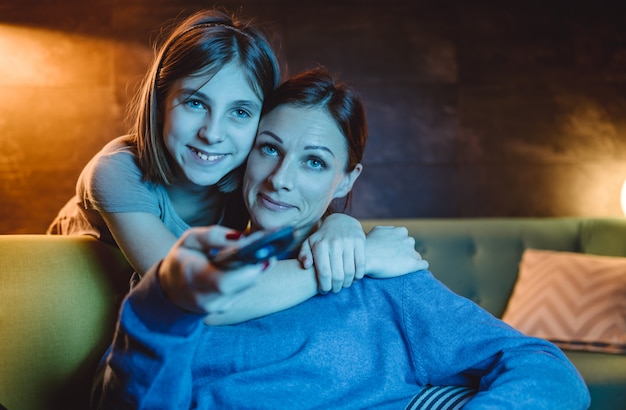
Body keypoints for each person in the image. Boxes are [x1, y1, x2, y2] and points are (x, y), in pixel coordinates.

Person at [92, 68, 590, 409]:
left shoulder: (384, 281)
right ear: (245, 153)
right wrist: (167, 304)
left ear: (346, 180)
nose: (281, 178)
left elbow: (545, 368)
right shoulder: (185, 277)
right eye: (270, 149)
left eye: (314, 161)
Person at [46, 8, 389, 323]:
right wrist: (362, 260)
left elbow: (297, 222)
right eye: (195, 102)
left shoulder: (255, 178)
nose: (212, 134)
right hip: (65, 296)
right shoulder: (116, 172)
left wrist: (341, 226)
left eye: (240, 112)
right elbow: (195, 295)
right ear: (161, 102)